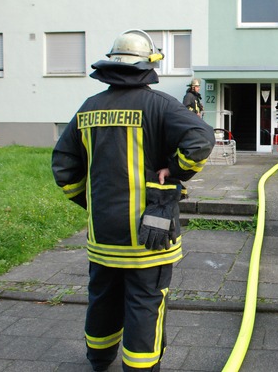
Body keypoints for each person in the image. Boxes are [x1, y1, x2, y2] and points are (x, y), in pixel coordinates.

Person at [52, 29, 215, 372]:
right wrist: (174, 170)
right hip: (148, 235)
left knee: (102, 298)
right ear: (147, 66)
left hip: (103, 236)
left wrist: (92, 202)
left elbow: (64, 166)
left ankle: (98, 359)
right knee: (145, 302)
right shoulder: (159, 105)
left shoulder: (89, 108)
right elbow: (201, 138)